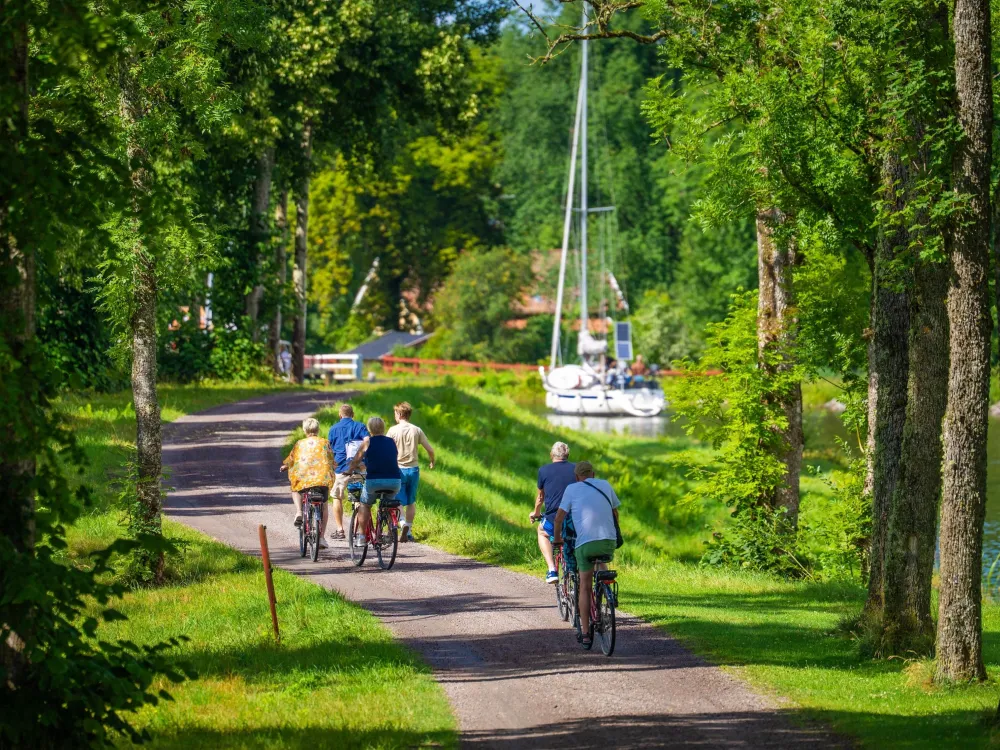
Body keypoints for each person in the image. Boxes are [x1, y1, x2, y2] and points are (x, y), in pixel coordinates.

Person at [553, 461, 620, 649]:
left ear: (576, 477)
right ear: (593, 474)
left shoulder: (571, 489)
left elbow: (558, 518)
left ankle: (585, 633)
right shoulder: (605, 485)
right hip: (609, 542)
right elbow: (615, 514)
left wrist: (557, 540)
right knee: (600, 564)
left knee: (584, 586)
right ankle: (605, 592)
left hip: (586, 544)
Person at [279, 417, 335, 548]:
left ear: (305, 430)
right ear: (318, 429)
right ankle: (321, 538)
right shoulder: (325, 442)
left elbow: (292, 459)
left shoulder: (299, 443)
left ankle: (299, 511)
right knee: (324, 506)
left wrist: (286, 466)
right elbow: (331, 459)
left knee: (295, 488)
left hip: (304, 478)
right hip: (321, 479)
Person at [346, 416, 401, 546]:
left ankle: (361, 536)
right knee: (389, 504)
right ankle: (390, 532)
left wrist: (349, 471)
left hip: (374, 481)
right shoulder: (392, 441)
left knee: (365, 504)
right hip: (394, 481)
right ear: (383, 428)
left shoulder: (367, 442)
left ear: (369, 429)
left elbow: (356, 459)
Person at [386, 401, 435, 543]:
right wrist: (432, 460)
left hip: (398, 469)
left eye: (395, 413)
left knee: (397, 500)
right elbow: (430, 449)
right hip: (413, 470)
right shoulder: (416, 430)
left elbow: (386, 448)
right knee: (411, 501)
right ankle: (409, 531)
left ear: (399, 414)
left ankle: (402, 523)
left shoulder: (393, 430)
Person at [529, 441, 576, 584]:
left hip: (553, 520)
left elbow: (540, 497)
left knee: (542, 532)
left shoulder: (544, 471)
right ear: (567, 455)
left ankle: (551, 570)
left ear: (551, 455)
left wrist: (536, 513)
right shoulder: (576, 469)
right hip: (575, 519)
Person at [327, 403, 369, 540]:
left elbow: (329, 449)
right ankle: (359, 531)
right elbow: (368, 442)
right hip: (359, 467)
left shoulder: (333, 429)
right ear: (353, 415)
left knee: (337, 497)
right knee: (359, 499)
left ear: (340, 415)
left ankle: (340, 530)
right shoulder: (360, 426)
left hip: (340, 468)